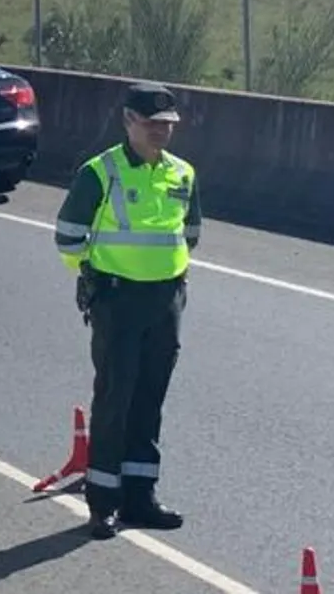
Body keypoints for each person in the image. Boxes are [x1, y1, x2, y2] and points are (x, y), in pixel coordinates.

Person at [53, 81, 201, 540]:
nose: (161, 131)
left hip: (166, 299)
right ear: (128, 122)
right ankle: (103, 504)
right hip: (118, 299)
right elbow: (68, 236)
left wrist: (165, 274)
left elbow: (190, 233)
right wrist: (98, 278)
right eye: (152, 123)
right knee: (115, 398)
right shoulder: (101, 172)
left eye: (167, 124)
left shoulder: (183, 173)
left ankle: (141, 497)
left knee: (149, 398)